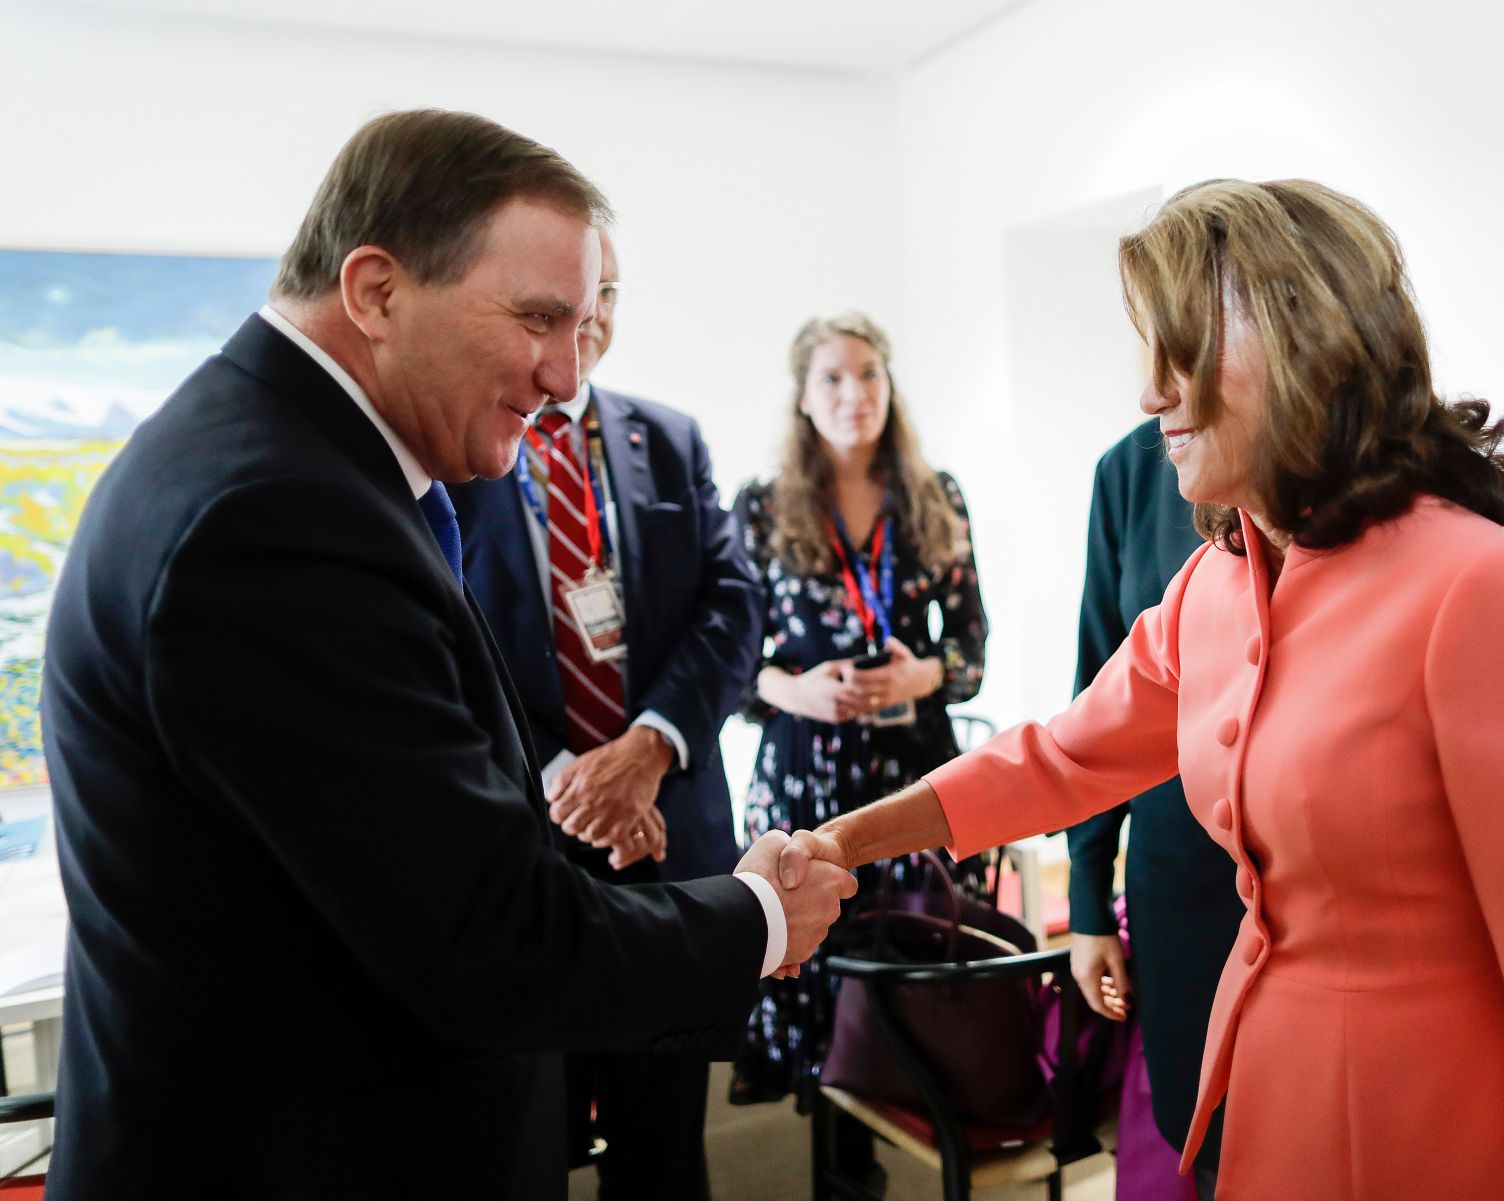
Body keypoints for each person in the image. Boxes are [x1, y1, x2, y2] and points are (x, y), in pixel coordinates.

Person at [777, 180, 1504, 1201]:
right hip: (1259, 1093)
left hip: (1434, 1127)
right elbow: (1059, 758)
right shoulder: (1213, 583)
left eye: (1181, 350)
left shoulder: (1483, 591)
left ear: (1306, 344)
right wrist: (841, 842)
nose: (1150, 393)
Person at [39, 109, 855, 1201]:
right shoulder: (276, 520)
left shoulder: (293, 464)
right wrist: (757, 916)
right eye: (538, 319)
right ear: (377, 291)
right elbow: (492, 942)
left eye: (586, 324)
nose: (565, 376)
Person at [451, 227, 758, 1199]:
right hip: (523, 845)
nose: (593, 319)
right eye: (571, 300)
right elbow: (453, 635)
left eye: (610, 296)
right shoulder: (462, 445)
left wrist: (649, 748)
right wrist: (569, 778)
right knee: (523, 1145)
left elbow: (731, 604)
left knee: (662, 1151)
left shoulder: (667, 437)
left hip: (666, 839)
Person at [728, 311, 988, 1183]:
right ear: (803, 397)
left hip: (915, 779)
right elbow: (733, 663)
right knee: (818, 985)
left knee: (910, 977)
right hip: (805, 780)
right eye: (833, 378)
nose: (855, 394)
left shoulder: (936, 494)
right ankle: (843, 1173)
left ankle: (914, 1148)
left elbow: (972, 654)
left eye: (870, 374)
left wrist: (924, 675)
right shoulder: (763, 506)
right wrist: (795, 689)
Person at [1063, 420, 1241, 1201]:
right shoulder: (1128, 472)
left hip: (1308, 876)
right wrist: (1088, 901)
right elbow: (1095, 709)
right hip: (1174, 877)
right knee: (1199, 1133)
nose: (1156, 392)